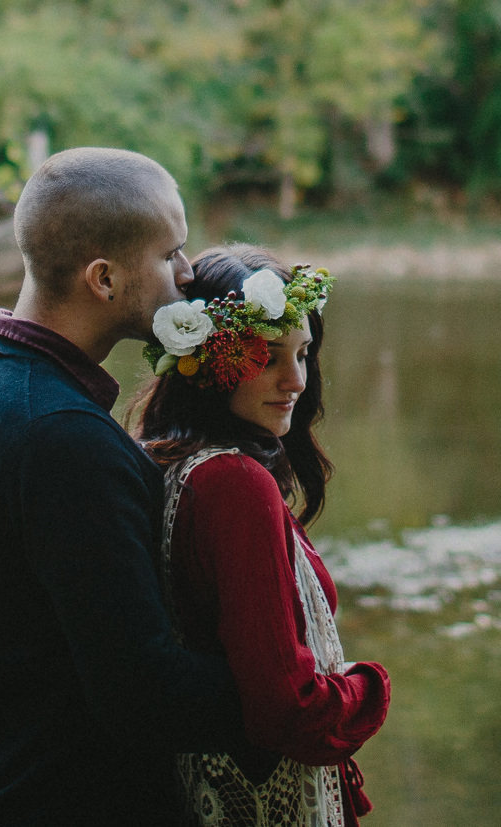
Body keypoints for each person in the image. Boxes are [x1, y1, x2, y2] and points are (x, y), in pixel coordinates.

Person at [0, 147, 244, 826]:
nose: (188, 273)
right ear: (104, 277)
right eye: (170, 253)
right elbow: (147, 696)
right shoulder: (63, 438)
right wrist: (303, 687)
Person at [133, 245, 391, 826]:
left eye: (303, 354)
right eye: (268, 356)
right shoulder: (233, 484)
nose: (295, 380)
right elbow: (286, 709)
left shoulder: (174, 463)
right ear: (210, 358)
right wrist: (369, 690)